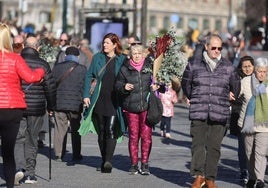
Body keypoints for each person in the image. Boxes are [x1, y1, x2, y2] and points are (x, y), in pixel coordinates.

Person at [181, 34, 241, 188]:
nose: (216, 51)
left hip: (219, 111)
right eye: (213, 47)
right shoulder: (194, 64)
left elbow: (236, 88)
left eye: (219, 48)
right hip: (199, 110)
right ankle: (199, 176)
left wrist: (228, 94)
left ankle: (210, 178)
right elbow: (186, 85)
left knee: (214, 147)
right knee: (198, 145)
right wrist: (194, 96)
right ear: (206, 47)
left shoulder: (228, 66)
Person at [0, 23, 45, 188]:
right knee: (8, 150)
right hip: (12, 108)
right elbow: (31, 77)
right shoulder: (15, 59)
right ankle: (11, 184)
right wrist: (41, 71)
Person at [79, 33, 126, 173]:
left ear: (115, 45)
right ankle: (103, 157)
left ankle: (108, 161)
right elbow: (89, 76)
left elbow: (128, 77)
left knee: (111, 129)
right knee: (102, 130)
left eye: (107, 43)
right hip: (99, 98)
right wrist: (86, 95)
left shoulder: (122, 59)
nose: (104, 45)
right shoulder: (97, 58)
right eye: (104, 43)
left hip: (114, 100)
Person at [13, 36, 56, 185]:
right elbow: (50, 88)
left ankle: (19, 167)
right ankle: (30, 174)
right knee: (32, 139)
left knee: (18, 138)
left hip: (18, 105)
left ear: (24, 46)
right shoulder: (43, 64)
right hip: (37, 107)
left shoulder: (16, 60)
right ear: (38, 48)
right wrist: (51, 107)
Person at [115, 43, 160, 175]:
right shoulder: (125, 68)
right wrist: (124, 86)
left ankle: (145, 164)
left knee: (146, 137)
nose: (136, 56)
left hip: (146, 107)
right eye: (134, 54)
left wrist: (156, 86)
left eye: (139, 53)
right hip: (130, 107)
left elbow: (160, 83)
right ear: (130, 55)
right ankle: (134, 164)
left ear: (143, 55)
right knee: (134, 136)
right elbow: (117, 85)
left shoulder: (150, 67)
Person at [52, 46, 87, 165]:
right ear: (78, 57)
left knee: (59, 129)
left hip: (59, 103)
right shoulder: (82, 69)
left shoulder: (56, 68)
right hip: (76, 104)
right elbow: (84, 87)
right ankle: (76, 154)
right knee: (76, 129)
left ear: (66, 56)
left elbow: (51, 86)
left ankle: (58, 154)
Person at [237, 57, 268, 188]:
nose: (262, 74)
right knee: (249, 153)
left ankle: (260, 179)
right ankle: (252, 177)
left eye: (265, 72)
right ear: (255, 71)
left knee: (260, 153)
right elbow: (236, 94)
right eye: (260, 71)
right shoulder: (245, 81)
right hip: (247, 124)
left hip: (264, 125)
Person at [229, 55, 255, 185]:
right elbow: (232, 95)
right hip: (239, 114)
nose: (247, 69)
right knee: (242, 147)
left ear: (253, 66)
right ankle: (244, 170)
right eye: (244, 66)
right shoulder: (236, 78)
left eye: (249, 66)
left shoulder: (259, 79)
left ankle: (255, 172)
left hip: (256, 118)